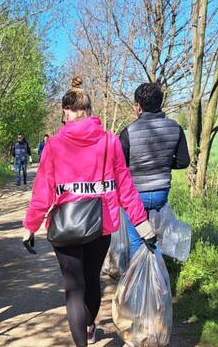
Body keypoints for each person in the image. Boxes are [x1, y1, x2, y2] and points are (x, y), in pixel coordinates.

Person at [21, 77, 156, 347]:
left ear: (66, 112)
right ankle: (90, 325)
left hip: (65, 225)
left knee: (74, 288)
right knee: (91, 281)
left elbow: (43, 190)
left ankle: (81, 341)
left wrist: (30, 226)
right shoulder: (109, 141)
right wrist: (143, 226)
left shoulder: (54, 145)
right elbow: (125, 187)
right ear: (90, 110)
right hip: (101, 224)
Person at [119, 82, 190, 256]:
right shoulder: (175, 128)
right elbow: (183, 161)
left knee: (137, 239)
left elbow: (120, 167)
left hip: (135, 195)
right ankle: (158, 279)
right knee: (155, 237)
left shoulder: (128, 132)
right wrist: (164, 163)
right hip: (161, 194)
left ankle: (140, 280)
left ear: (139, 106)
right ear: (160, 103)